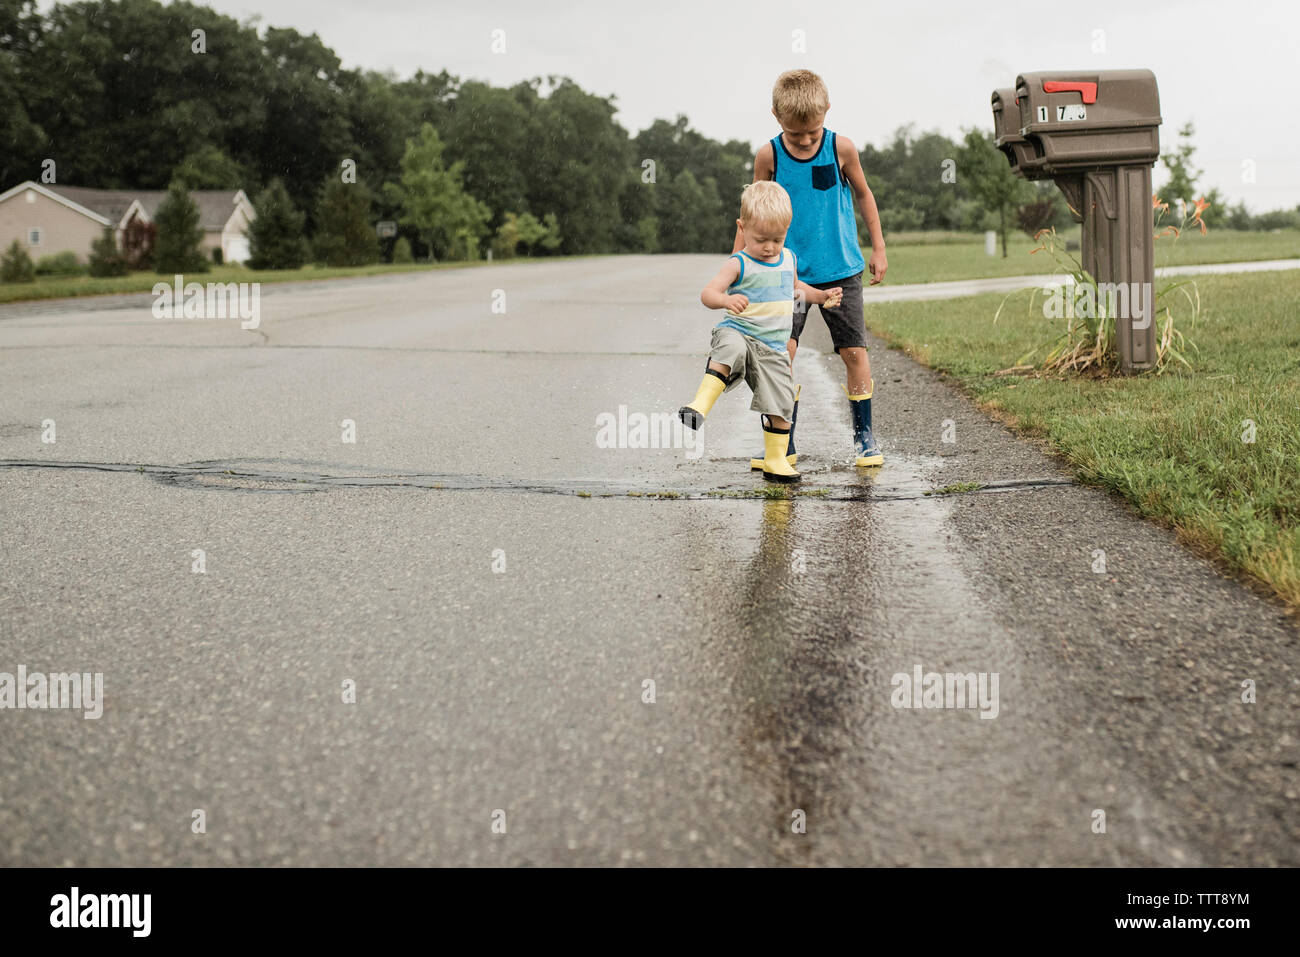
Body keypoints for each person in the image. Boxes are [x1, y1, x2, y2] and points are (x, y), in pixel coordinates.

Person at [735, 69, 888, 467]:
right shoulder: (768, 155)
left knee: (854, 351)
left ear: (827, 111)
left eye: (812, 131)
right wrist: (740, 269)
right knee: (779, 355)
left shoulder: (842, 148)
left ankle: (864, 439)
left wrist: (879, 247)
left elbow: (865, 196)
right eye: (795, 133)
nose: (804, 140)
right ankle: (781, 444)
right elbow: (750, 214)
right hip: (786, 276)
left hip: (841, 271)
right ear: (775, 116)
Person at [678, 181, 841, 484]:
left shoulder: (788, 258)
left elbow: (795, 289)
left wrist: (820, 296)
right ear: (742, 228)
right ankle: (699, 405)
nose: (769, 247)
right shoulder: (738, 262)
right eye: (761, 239)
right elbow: (707, 293)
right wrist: (726, 299)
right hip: (738, 332)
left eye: (777, 239)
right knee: (731, 349)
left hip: (774, 348)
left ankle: (776, 459)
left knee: (781, 402)